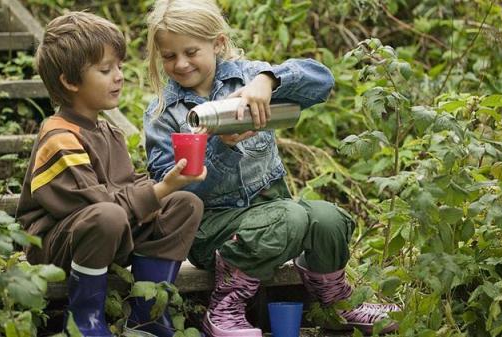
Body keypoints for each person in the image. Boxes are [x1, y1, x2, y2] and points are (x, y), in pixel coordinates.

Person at [143, 0, 401, 336]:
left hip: (272, 209)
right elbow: (168, 187)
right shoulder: (164, 111)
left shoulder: (248, 78)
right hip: (213, 230)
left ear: (217, 43)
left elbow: (321, 81)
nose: (180, 63)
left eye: (191, 51)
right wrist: (224, 145)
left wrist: (269, 79)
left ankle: (337, 303)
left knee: (328, 219)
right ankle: (225, 307)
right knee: (291, 217)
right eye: (169, 56)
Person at [16, 11, 206, 337]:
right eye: (105, 70)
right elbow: (101, 205)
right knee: (108, 216)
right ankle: (84, 318)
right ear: (70, 81)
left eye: (119, 66)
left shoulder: (108, 131)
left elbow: (125, 188)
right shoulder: (59, 136)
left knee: (185, 203)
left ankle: (147, 314)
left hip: (109, 232)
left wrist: (168, 185)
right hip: (60, 246)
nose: (118, 76)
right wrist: (158, 191)